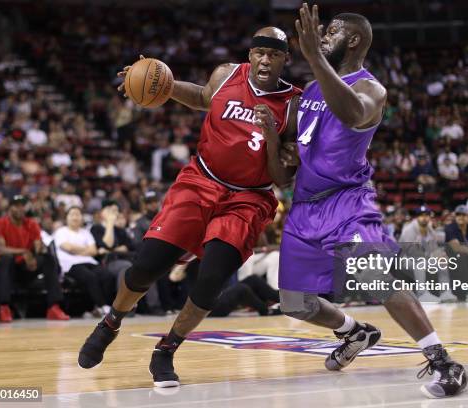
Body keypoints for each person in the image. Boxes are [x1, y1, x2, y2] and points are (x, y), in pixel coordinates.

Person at [258, 5, 466, 398]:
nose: (322, 36)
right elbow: (287, 165)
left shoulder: (371, 88)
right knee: (294, 303)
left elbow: (352, 114)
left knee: (373, 276)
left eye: (331, 31)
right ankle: (355, 332)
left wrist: (316, 59)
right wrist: (277, 143)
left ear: (353, 40)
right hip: (304, 205)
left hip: (347, 201)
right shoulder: (311, 90)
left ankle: (443, 360)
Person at [78, 27, 301, 388]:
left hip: (248, 197)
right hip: (201, 180)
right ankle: (111, 322)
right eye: (258, 52)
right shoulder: (226, 73)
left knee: (211, 280)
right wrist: (159, 83)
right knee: (144, 268)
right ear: (250, 55)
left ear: (284, 59)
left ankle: (166, 349)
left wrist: (273, 138)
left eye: (273, 54)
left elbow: (282, 177)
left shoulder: (293, 104)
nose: (264, 59)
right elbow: (203, 97)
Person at [0, 195, 69, 322]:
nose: (20, 209)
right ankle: (4, 307)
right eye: (17, 206)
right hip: (2, 270)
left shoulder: (31, 224)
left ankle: (53, 306)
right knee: (7, 259)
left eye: (22, 206)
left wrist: (38, 251)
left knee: (47, 258)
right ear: (10, 208)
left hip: (23, 268)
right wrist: (24, 252)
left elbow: (38, 246)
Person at [53, 207, 114, 317]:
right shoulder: (60, 232)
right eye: (72, 214)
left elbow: (94, 250)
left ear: (82, 218)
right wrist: (85, 250)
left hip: (89, 261)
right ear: (66, 217)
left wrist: (78, 250)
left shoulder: (85, 233)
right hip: (71, 264)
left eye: (78, 215)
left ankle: (99, 307)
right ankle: (103, 306)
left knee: (107, 275)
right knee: (90, 277)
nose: (75, 217)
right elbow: (68, 247)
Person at [399, 206, 457, 303]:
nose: (424, 218)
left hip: (423, 258)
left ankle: (445, 292)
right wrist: (432, 257)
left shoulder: (429, 229)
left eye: (426, 215)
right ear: (416, 217)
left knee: (442, 262)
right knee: (419, 262)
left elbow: (434, 248)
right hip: (404, 260)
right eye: (421, 215)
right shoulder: (409, 230)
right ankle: (421, 294)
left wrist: (440, 255)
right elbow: (413, 253)